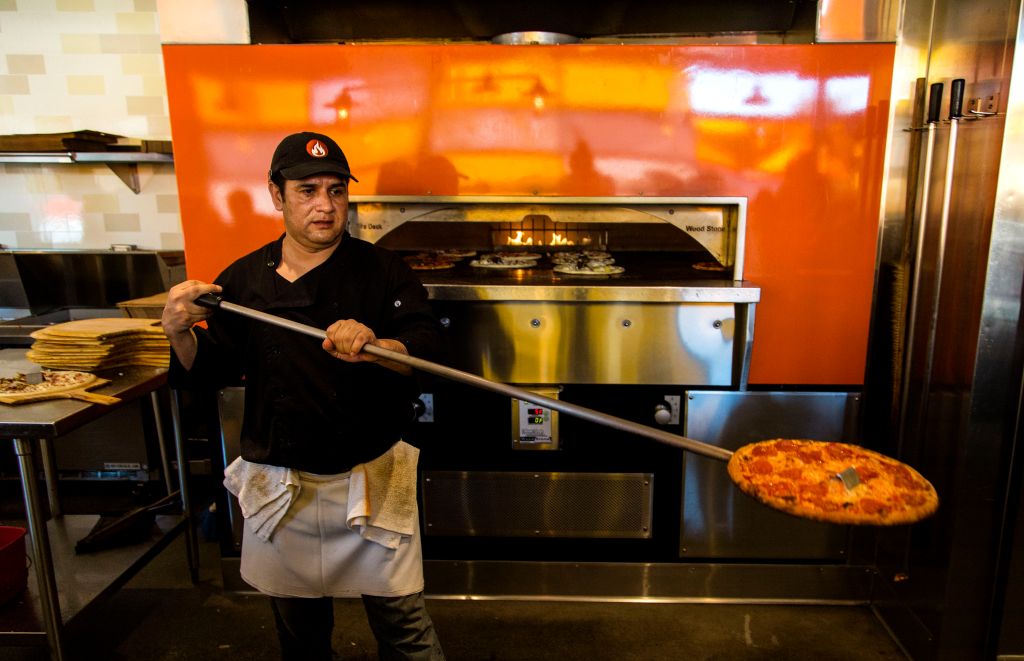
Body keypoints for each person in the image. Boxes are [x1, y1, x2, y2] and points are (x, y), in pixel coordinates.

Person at [161, 131, 446, 661]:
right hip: (283, 488)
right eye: (307, 190)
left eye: (336, 191)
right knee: (300, 634)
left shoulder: (382, 270)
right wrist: (178, 331)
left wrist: (379, 346)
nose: (325, 205)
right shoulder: (244, 281)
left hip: (371, 480)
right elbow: (209, 371)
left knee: (405, 627)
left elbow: (427, 344)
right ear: (276, 195)